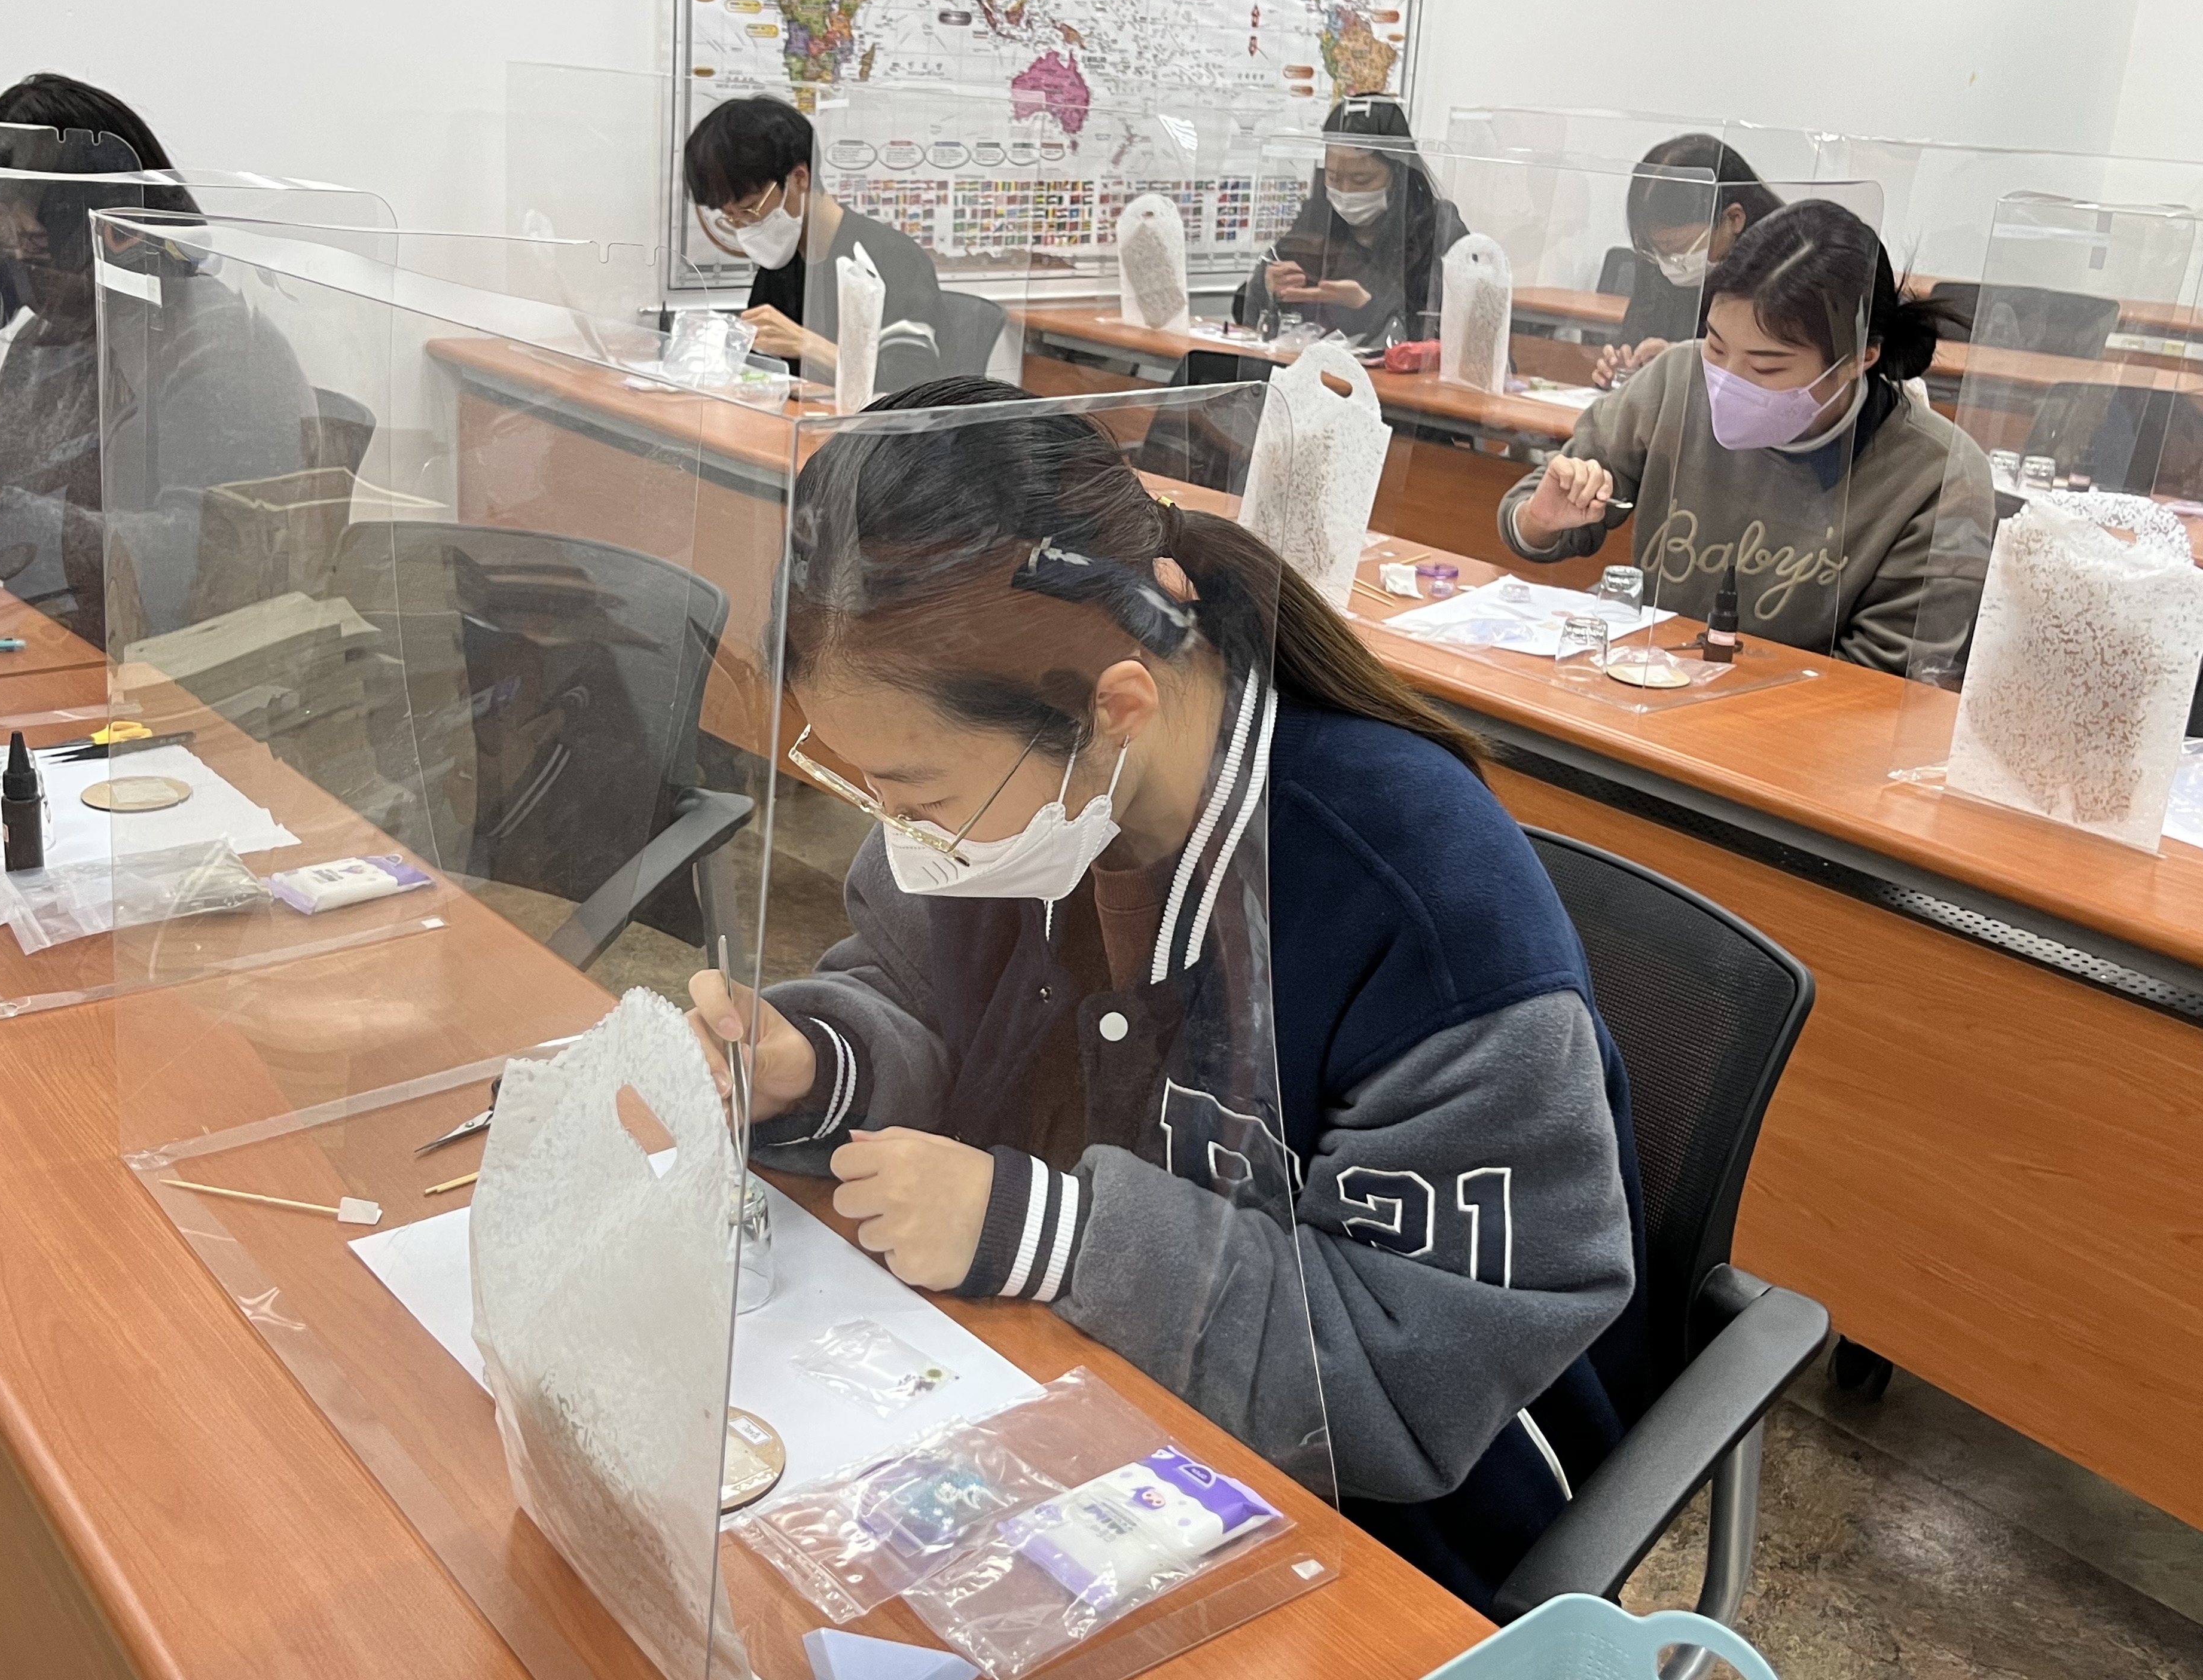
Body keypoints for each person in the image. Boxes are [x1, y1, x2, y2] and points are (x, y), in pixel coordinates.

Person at [688, 377, 1646, 1611]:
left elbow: (1413, 1376)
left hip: (1379, 1537)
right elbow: (918, 993)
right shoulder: (1018, 787)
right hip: (1076, 1406)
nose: (898, 830)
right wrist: (821, 1061)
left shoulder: (1421, 910)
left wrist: (1052, 1232)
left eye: (914, 791)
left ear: (1115, 710)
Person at [0, 74, 312, 649]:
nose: (25, 279)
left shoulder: (221, 351)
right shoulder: (48, 345)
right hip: (60, 640)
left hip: (168, 665)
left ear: (112, 232)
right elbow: (9, 510)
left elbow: (202, 557)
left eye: (34, 249)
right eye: (5, 249)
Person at [1502, 200, 1988, 674]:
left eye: (1765, 366)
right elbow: (1537, 516)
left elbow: (1879, 682)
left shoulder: (1938, 477)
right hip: (1649, 680)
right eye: (1716, 345)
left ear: (1860, 359)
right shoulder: (1677, 380)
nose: (1726, 382)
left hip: (1788, 719)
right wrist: (1539, 520)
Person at [683, 96, 945, 392]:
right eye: (730, 217)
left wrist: (807, 344)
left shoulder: (893, 258)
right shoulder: (782, 262)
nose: (742, 226)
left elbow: (913, 383)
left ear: (799, 178)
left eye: (749, 209)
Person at [1235, 95, 1466, 350]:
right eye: (1333, 178)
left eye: (1361, 180)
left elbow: (1449, 333)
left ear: (1399, 174)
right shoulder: (1318, 218)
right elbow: (1246, 307)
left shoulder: (1436, 228)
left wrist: (1367, 305)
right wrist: (1269, 287)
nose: (1345, 192)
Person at [1594, 134, 1783, 386]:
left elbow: (1769, 377)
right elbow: (1636, 338)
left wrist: (1686, 361)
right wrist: (1622, 369)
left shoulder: (1784, 270)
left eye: (1679, 250)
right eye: (1656, 252)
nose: (1667, 264)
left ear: (1733, 219)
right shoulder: (1657, 260)